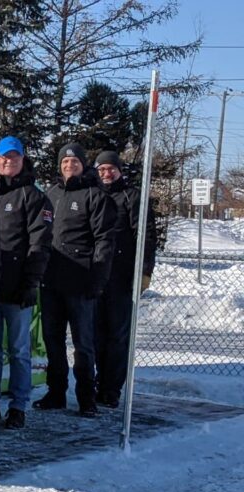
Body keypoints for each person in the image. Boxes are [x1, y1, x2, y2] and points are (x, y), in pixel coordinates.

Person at [0, 136, 53, 430]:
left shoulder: (34, 197)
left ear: (22, 160)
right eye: (4, 157)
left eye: (15, 157)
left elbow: (39, 244)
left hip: (17, 288)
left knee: (19, 350)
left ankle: (18, 406)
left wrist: (30, 282)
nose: (9, 161)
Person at [34, 142, 116, 417]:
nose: (70, 167)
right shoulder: (51, 194)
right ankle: (56, 392)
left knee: (83, 343)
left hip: (80, 282)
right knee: (52, 340)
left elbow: (104, 241)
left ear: (84, 165)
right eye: (65, 163)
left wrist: (98, 278)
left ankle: (86, 397)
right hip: (51, 281)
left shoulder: (95, 196)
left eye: (75, 162)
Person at [93, 151, 157, 408]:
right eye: (102, 170)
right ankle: (100, 379)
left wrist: (144, 272)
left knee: (117, 336)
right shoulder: (93, 195)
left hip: (122, 277)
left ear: (119, 170)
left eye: (111, 169)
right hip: (96, 276)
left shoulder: (132, 197)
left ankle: (112, 387)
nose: (107, 174)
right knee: (96, 334)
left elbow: (146, 238)